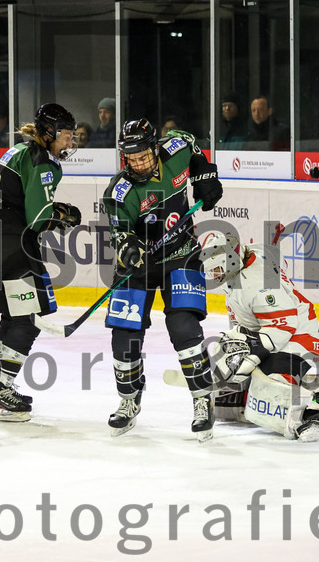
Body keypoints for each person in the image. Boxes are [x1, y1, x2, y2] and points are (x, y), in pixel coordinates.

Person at [101, 118, 224, 441]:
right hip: (139, 267)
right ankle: (129, 399)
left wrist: (204, 172)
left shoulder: (176, 148)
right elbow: (120, 236)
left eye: (143, 156)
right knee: (125, 335)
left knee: (183, 326)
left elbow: (193, 144)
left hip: (182, 252)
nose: (138, 164)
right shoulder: (119, 192)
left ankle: (201, 400)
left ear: (155, 148)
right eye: (131, 159)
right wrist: (129, 248)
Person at [0, 103, 82, 422]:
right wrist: (60, 216)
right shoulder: (44, 161)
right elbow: (37, 218)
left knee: (13, 315)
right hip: (12, 243)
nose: (69, 142)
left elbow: (14, 198)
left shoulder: (18, 150)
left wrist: (54, 209)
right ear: (49, 133)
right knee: (26, 318)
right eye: (65, 135)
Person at [199, 232, 319, 442]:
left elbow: (284, 325)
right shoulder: (245, 262)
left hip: (297, 338)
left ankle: (315, 415)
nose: (214, 275)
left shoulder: (257, 282)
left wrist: (252, 359)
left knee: (267, 391)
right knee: (227, 392)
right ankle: (318, 393)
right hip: (268, 332)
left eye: (217, 269)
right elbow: (276, 258)